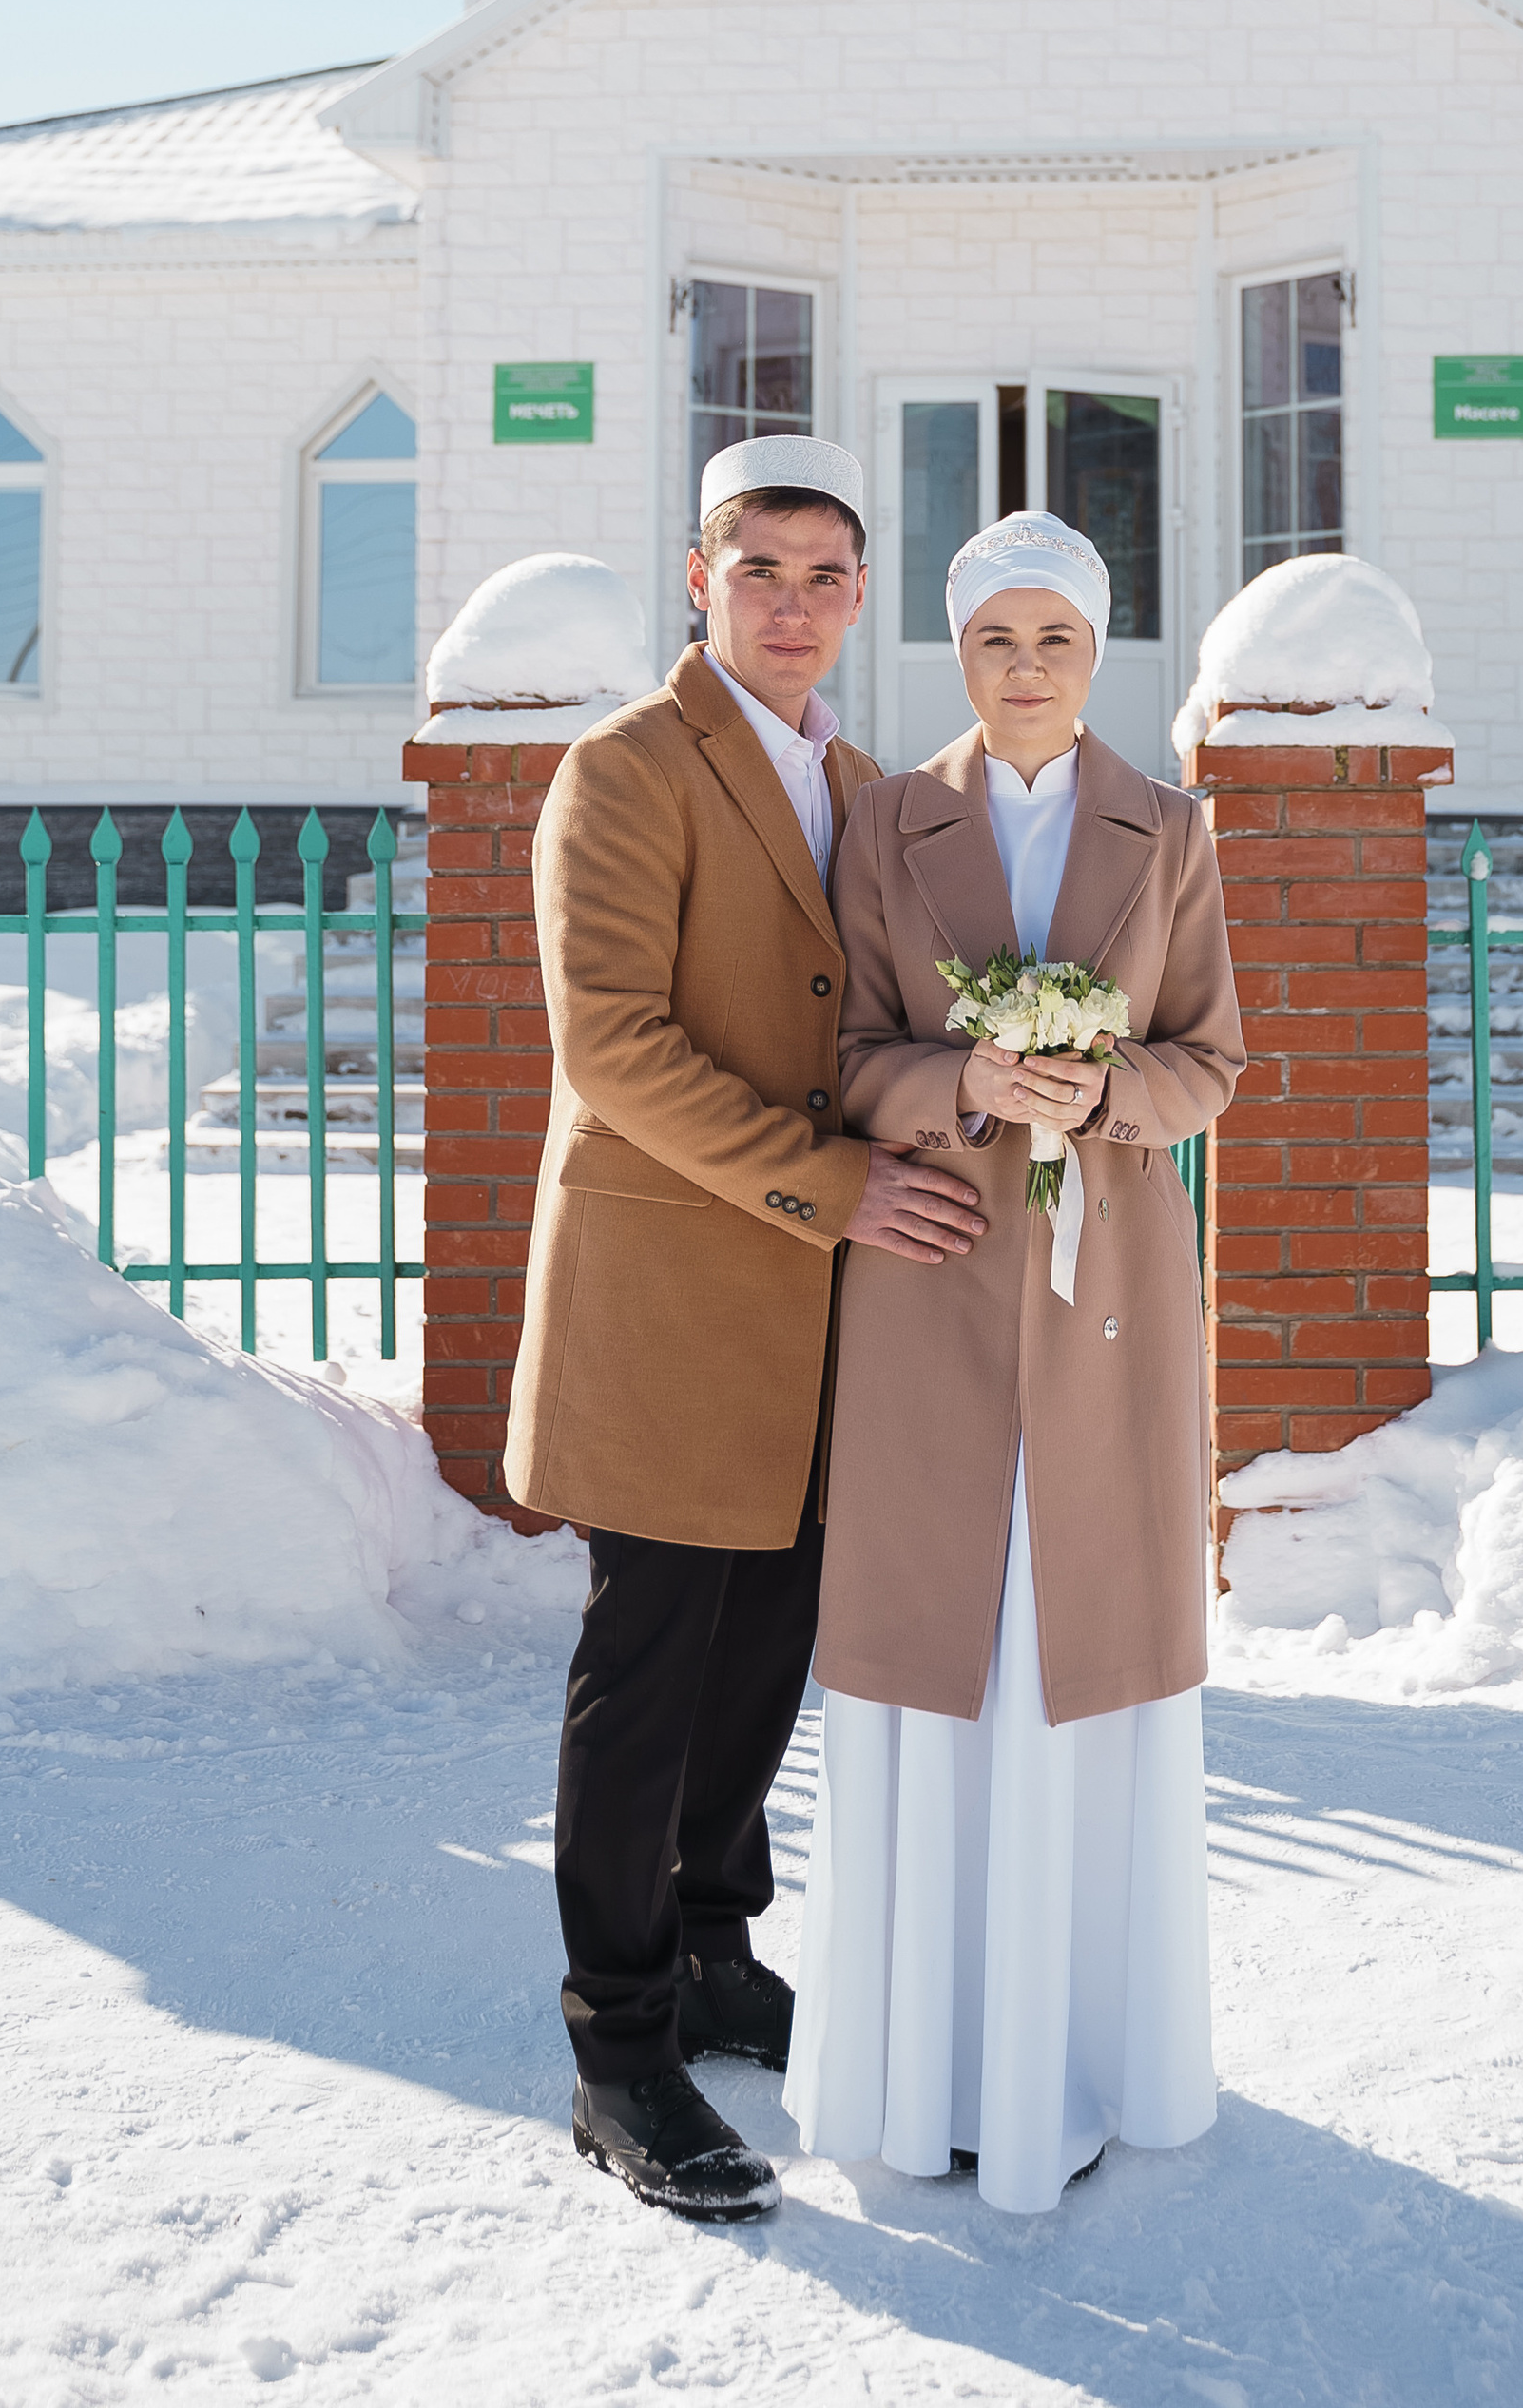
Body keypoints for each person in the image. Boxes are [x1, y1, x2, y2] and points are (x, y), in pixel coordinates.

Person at [506, 434, 985, 2225]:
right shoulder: (623, 770)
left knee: (761, 1658)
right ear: (697, 580)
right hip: (672, 1295)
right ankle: (619, 2050)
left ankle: (713, 1956)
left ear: (862, 600)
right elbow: (612, 1050)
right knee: (648, 1680)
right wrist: (834, 1183)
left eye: (827, 576)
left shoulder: (863, 784)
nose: (792, 604)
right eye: (757, 570)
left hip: (828, 1323)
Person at [785, 509, 1244, 2211]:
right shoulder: (889, 819)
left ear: (1097, 653)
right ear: (956, 653)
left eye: (1055, 640)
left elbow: (1211, 1058)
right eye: (994, 641)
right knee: (942, 1651)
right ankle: (924, 2066)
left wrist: (1105, 1092)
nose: (1026, 669)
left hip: (1108, 1283)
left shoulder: (1172, 827)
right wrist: (962, 1088)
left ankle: (1090, 2056)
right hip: (935, 1276)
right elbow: (843, 1050)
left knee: (1078, 1639)